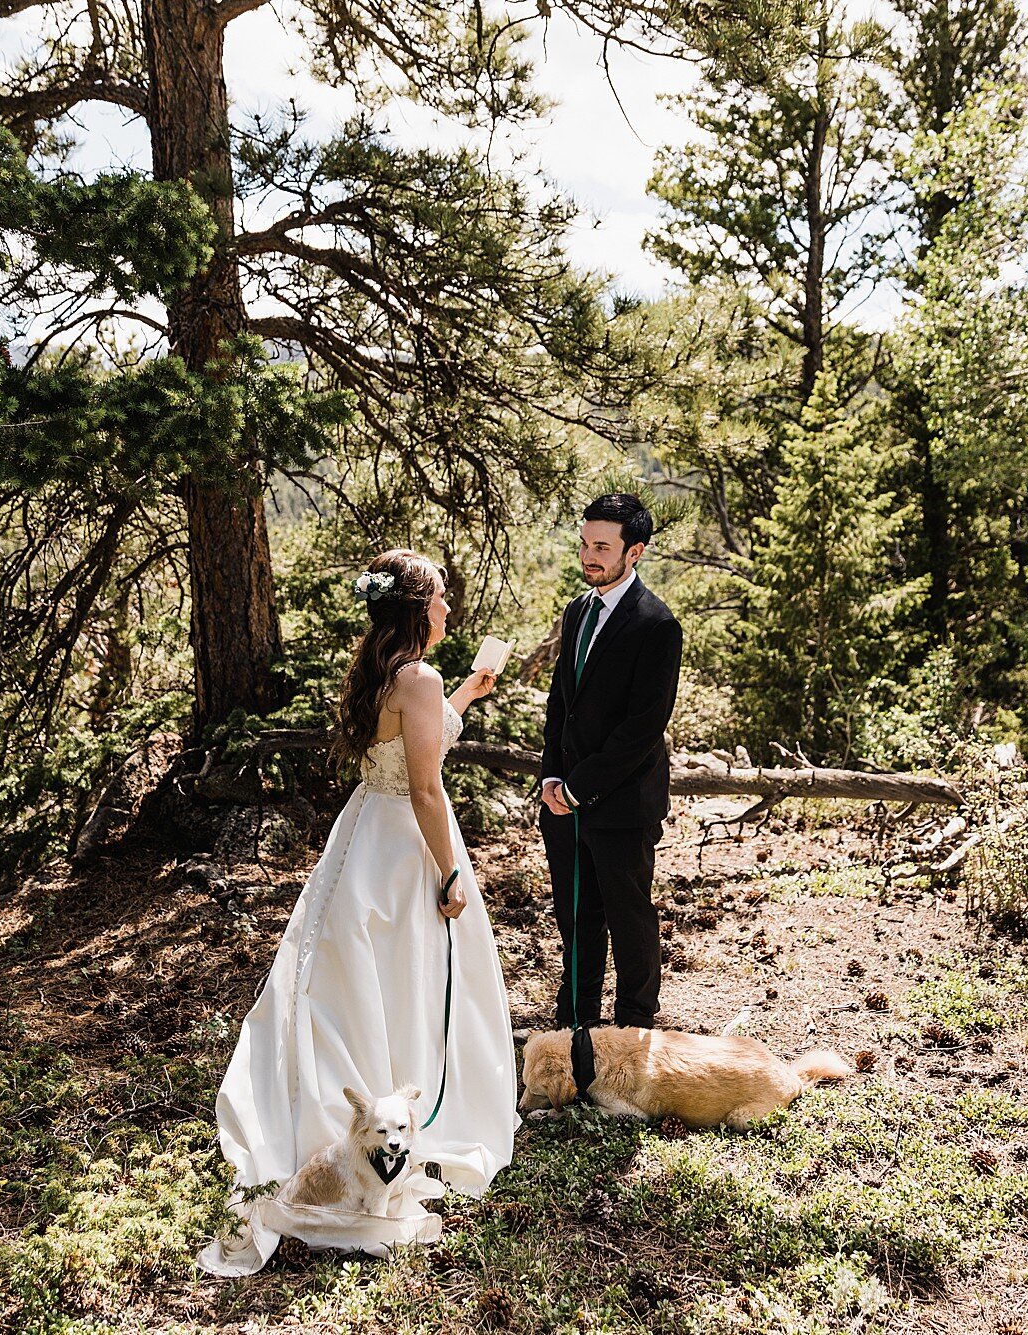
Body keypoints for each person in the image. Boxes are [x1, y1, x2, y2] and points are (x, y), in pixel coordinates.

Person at [201, 549, 518, 1276]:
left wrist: (466, 693)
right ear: (415, 608)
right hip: (405, 845)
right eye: (440, 599)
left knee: (362, 972)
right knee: (413, 968)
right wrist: (451, 871)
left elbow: (413, 740)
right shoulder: (419, 675)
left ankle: (368, 1104)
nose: (447, 610)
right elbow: (428, 789)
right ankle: (412, 1109)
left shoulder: (385, 670)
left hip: (361, 836)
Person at [539, 493, 684, 1032]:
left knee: (629, 919)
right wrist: (553, 777)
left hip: (622, 802)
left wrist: (579, 787)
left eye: (602, 546)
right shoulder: (577, 612)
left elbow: (642, 729)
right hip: (562, 800)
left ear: (636, 551)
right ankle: (576, 1024)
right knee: (576, 919)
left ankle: (633, 1028)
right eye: (584, 543)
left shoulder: (657, 625)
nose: (588, 555)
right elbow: (561, 704)